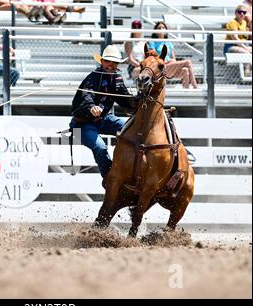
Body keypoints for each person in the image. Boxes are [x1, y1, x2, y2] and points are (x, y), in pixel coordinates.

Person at [70, 45, 136, 188]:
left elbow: (125, 100)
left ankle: (129, 167)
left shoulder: (118, 79)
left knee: (130, 128)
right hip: (82, 124)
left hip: (104, 119)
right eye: (108, 61)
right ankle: (109, 178)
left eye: (114, 62)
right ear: (102, 62)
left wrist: (138, 102)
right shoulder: (93, 77)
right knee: (100, 147)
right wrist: (91, 107)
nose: (111, 65)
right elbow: (86, 95)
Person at [148, 21, 198, 89]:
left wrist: (172, 61)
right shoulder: (152, 42)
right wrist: (165, 62)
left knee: (185, 70)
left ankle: (186, 90)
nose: (161, 29)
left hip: (170, 67)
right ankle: (195, 85)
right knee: (188, 62)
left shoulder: (168, 43)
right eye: (159, 28)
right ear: (156, 31)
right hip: (160, 68)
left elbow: (173, 58)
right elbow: (153, 58)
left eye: (163, 27)